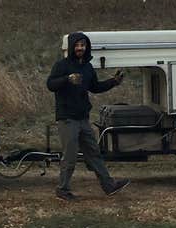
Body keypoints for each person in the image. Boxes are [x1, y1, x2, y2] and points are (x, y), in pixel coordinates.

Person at [45, 31, 130, 201]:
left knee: (94, 153)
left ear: (87, 47)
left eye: (83, 45)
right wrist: (67, 79)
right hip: (67, 119)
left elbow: (95, 87)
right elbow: (50, 84)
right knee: (70, 156)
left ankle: (109, 185)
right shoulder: (61, 65)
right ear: (71, 47)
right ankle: (63, 190)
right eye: (77, 45)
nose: (80, 48)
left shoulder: (88, 67)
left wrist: (113, 82)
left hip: (83, 118)